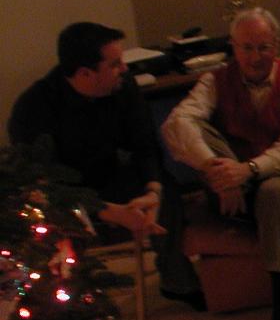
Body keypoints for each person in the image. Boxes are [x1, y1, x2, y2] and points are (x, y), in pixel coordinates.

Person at [162, 7, 280, 320]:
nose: (255, 57)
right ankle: (229, 180)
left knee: (275, 193)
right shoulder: (214, 80)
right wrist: (220, 170)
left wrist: (247, 170)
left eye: (263, 47)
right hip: (232, 185)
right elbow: (178, 124)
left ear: (276, 45)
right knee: (190, 123)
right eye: (246, 47)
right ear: (233, 46)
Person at [9, 21, 170, 250]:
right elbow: (43, 185)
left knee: (168, 193)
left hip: (111, 176)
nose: (124, 69)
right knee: (49, 218)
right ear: (85, 73)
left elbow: (145, 144)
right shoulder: (33, 109)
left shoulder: (122, 85)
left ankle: (177, 283)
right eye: (115, 64)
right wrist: (109, 212)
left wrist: (153, 191)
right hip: (65, 196)